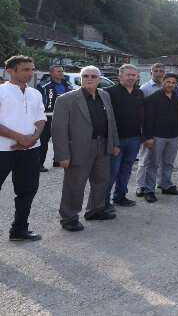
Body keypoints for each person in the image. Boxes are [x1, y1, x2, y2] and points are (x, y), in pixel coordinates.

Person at [52, 65, 120, 231]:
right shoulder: (65, 99)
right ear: (81, 79)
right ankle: (69, 218)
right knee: (75, 184)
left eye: (93, 76)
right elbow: (58, 130)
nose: (89, 79)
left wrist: (114, 143)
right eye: (86, 76)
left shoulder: (104, 95)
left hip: (102, 144)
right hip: (79, 147)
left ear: (99, 79)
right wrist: (62, 155)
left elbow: (111, 121)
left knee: (101, 180)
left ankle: (95, 210)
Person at [0, 56, 46, 241]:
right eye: (25, 69)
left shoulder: (35, 93)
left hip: (30, 150)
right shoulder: (1, 91)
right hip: (3, 150)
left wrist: (33, 138)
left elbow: (41, 118)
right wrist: (20, 138)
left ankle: (19, 230)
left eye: (32, 69)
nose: (30, 73)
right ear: (10, 71)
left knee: (27, 190)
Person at [137, 73, 178, 203]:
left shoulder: (176, 98)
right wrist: (148, 137)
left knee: (168, 163)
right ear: (162, 82)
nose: (170, 85)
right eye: (168, 82)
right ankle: (149, 190)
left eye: (173, 83)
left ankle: (165, 185)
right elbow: (147, 120)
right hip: (157, 136)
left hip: (173, 136)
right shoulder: (153, 98)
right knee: (153, 164)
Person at [104, 64, 144, 212]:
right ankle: (104, 202)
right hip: (116, 140)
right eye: (128, 75)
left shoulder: (139, 93)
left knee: (126, 170)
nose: (131, 77)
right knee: (112, 171)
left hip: (134, 139)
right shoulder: (109, 92)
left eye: (134, 75)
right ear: (120, 76)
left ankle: (120, 197)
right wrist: (111, 140)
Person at [37, 64, 73, 171]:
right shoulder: (43, 86)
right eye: (58, 71)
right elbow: (38, 102)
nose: (61, 73)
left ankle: (57, 161)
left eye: (62, 71)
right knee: (43, 142)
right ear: (51, 73)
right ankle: (39, 164)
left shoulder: (68, 85)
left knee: (61, 141)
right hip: (47, 117)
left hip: (63, 117)